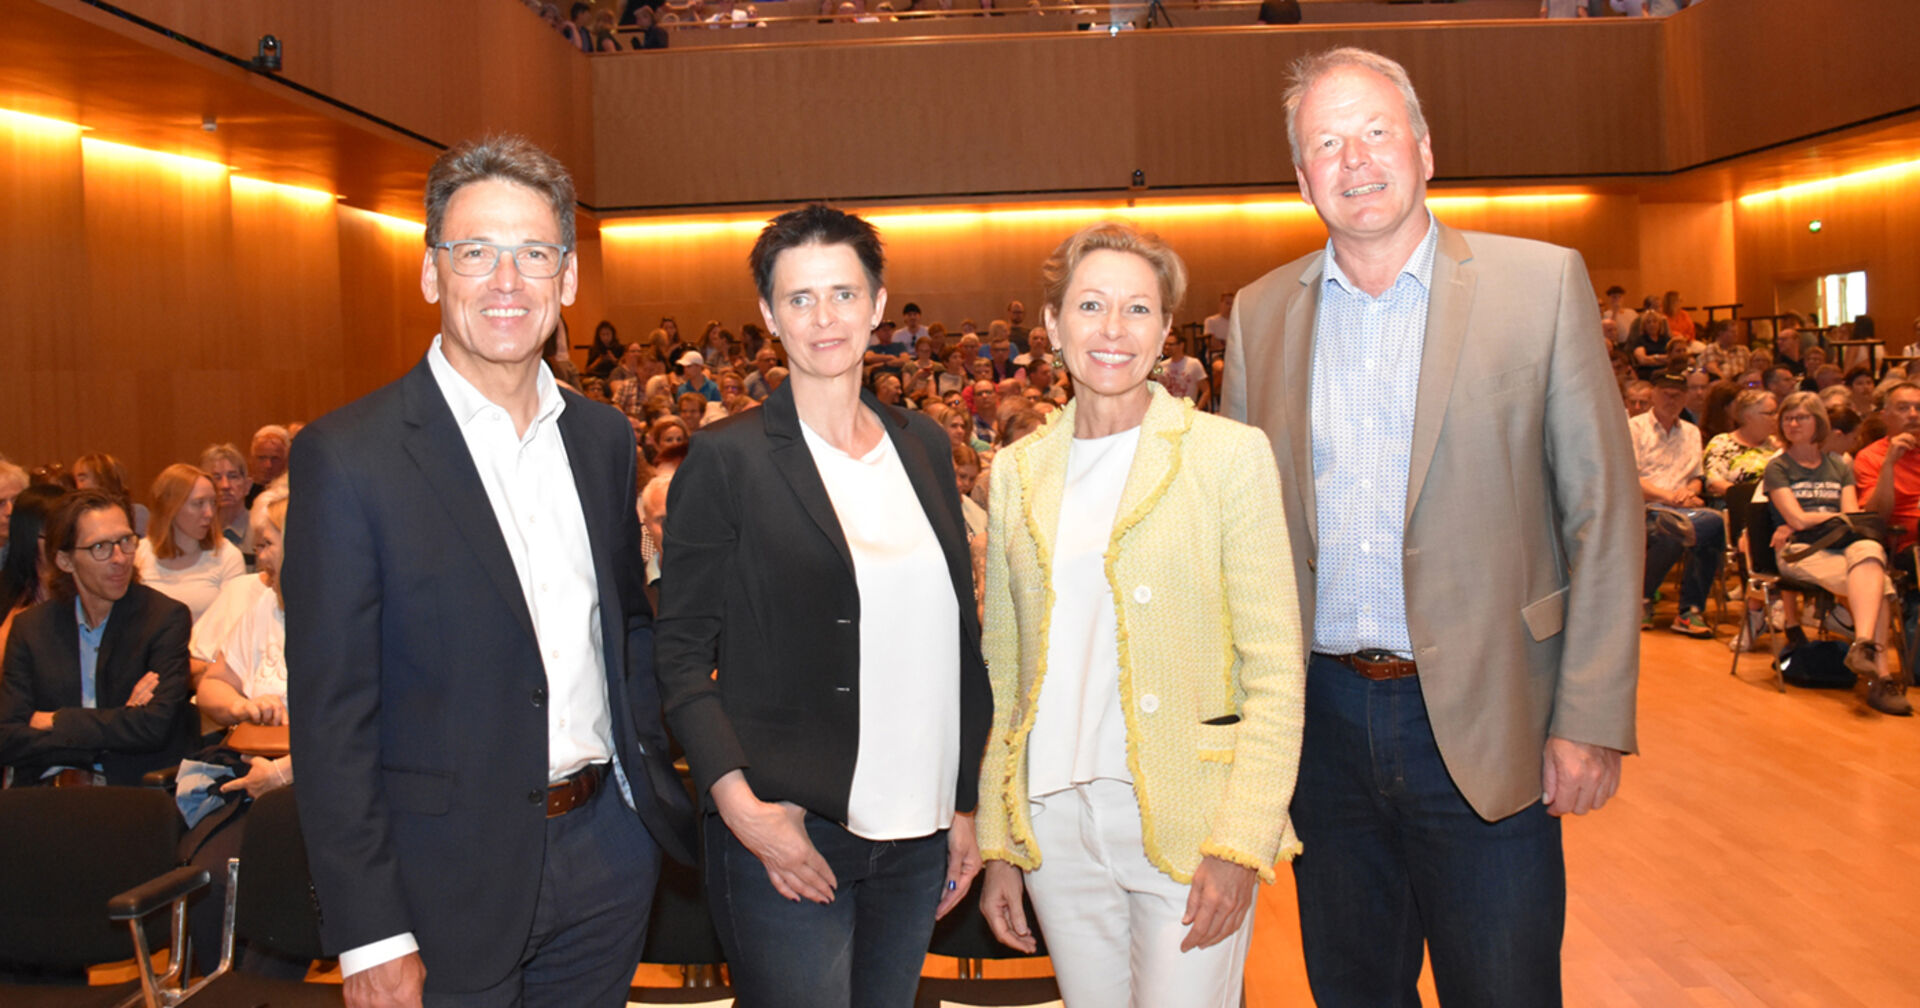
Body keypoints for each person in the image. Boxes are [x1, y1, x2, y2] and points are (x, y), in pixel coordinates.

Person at [1222, 47, 1640, 1006]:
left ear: (1424, 147)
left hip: (1494, 718)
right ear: (1300, 177)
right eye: (1326, 142)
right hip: (1322, 731)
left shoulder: (1539, 283)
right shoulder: (1258, 317)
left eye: (1375, 130)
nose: (1355, 159)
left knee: (1503, 988)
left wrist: (1589, 716)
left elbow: (1604, 513)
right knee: (1355, 990)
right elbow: (1247, 538)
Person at [284, 135, 694, 1008]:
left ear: (567, 280)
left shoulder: (601, 439)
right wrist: (369, 931)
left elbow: (624, 627)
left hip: (607, 856)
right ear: (433, 273)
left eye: (533, 254)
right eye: (475, 252)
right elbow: (331, 719)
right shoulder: (348, 458)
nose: (506, 281)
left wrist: (640, 799)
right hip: (438, 886)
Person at [655, 204, 990, 1008]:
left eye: (843, 293)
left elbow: (958, 639)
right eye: (799, 299)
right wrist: (739, 805)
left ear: (878, 304)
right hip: (790, 825)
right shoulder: (728, 457)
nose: (824, 317)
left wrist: (966, 803)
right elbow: (677, 650)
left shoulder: (922, 445)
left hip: (918, 829)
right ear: (770, 317)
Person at [976, 222, 1304, 1007]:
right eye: (1090, 306)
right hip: (1055, 824)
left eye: (1137, 309)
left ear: (1165, 330)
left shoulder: (1229, 455)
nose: (1113, 330)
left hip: (1190, 823)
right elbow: (1005, 672)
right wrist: (1000, 842)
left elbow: (1275, 669)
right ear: (1053, 326)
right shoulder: (1019, 471)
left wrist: (1242, 840)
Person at [0, 490, 197, 787]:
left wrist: (57, 722)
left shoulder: (164, 619)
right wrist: (115, 724)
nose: (119, 559)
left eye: (126, 541)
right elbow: (7, 736)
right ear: (65, 561)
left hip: (128, 791)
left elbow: (153, 727)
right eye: (100, 547)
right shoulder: (31, 628)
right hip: (46, 792)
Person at [1765, 392, 1908, 715]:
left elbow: (1850, 515)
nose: (1793, 423)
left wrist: (1834, 518)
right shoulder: (1778, 467)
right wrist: (1832, 518)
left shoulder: (1839, 465)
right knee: (1880, 587)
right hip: (1801, 550)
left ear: (1819, 422)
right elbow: (1798, 519)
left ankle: (1862, 647)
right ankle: (1881, 677)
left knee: (1870, 548)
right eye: (1787, 418)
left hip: (1842, 546)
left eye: (1801, 417)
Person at [1633, 373, 1725, 637]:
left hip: (1682, 506)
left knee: (1714, 524)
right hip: (1646, 507)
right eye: (1665, 393)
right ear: (1653, 394)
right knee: (1674, 528)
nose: (1671, 400)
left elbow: (1697, 476)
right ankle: (1642, 598)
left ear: (1685, 398)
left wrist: (1688, 492)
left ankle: (1690, 610)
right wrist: (1666, 496)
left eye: (1677, 395)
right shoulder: (1634, 428)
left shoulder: (1692, 432)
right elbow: (1629, 478)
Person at [135, 464, 248, 624]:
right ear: (170, 507)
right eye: (198, 503)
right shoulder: (139, 554)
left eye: (213, 503)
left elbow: (233, 624)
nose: (209, 513)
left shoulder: (227, 556)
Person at [1701, 388, 1778, 505]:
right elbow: (1714, 484)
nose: (1776, 418)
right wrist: (1753, 496)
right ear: (1748, 417)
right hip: (1737, 505)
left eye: (1776, 412)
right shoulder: (1722, 443)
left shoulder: (1777, 445)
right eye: (1770, 413)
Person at [72, 452, 148, 536]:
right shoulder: (76, 517)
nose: (78, 487)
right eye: (75, 481)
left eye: (82, 479)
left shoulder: (137, 513)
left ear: (103, 480)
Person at [200, 443, 254, 554]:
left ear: (247, 486)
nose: (225, 486)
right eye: (216, 477)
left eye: (233, 476)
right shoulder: (194, 532)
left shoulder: (260, 530)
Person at [244, 425, 291, 507]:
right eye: (262, 458)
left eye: (275, 459)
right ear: (252, 460)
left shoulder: (293, 493)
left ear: (286, 461)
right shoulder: (243, 495)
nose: (268, 465)